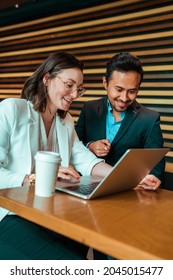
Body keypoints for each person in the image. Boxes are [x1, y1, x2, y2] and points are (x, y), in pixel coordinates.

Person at [0, 51, 112, 260]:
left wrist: (123, 175)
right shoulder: (11, 110)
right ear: (47, 78)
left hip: (46, 212)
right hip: (9, 213)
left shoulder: (65, 120)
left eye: (79, 88)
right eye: (68, 85)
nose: (75, 94)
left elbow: (84, 159)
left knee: (89, 242)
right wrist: (35, 179)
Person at [75, 52, 165, 191]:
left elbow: (156, 164)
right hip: (87, 185)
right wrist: (90, 146)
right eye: (119, 89)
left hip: (128, 192)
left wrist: (153, 178)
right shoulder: (89, 109)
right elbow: (73, 145)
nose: (124, 98)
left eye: (132, 91)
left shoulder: (150, 119)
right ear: (105, 83)